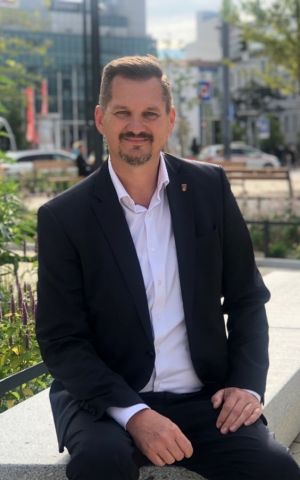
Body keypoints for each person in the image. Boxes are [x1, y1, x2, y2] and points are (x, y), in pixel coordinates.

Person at [36, 56, 300, 480]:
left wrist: (247, 385)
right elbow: (61, 338)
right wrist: (136, 414)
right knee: (100, 464)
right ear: (101, 119)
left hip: (202, 396)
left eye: (150, 114)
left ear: (170, 119)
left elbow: (247, 297)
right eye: (123, 112)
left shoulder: (209, 188)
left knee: (276, 470)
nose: (136, 126)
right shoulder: (64, 217)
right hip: (106, 403)